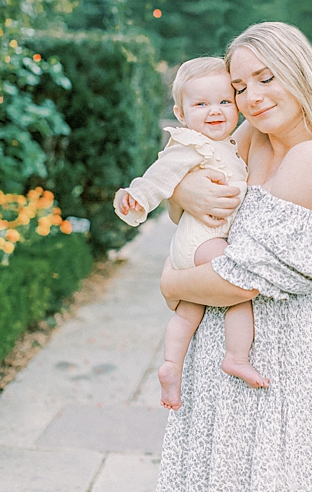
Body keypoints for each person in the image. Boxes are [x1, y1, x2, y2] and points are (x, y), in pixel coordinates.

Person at [156, 22, 312, 491]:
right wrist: (183, 187)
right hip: (214, 348)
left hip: (274, 358)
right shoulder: (252, 139)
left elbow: (239, 280)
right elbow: (190, 207)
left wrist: (172, 284)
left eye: (266, 77)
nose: (251, 97)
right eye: (239, 87)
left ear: (298, 73)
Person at [114, 57, 264, 413]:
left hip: (195, 243)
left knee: (187, 313)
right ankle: (236, 356)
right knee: (239, 288)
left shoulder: (226, 145)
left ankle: (170, 365)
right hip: (203, 242)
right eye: (201, 104)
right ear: (181, 115)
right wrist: (138, 198)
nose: (215, 111)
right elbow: (159, 177)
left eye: (224, 101)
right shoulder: (190, 146)